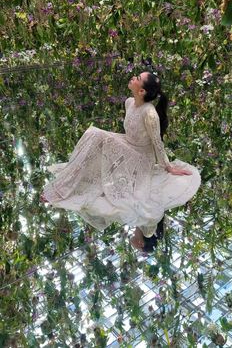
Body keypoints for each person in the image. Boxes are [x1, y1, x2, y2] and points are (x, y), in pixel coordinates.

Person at [41, 71, 201, 251]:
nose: (133, 77)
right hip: (127, 144)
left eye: (138, 79)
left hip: (141, 157)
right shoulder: (129, 102)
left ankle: (61, 189)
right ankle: (67, 181)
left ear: (141, 91)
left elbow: (157, 143)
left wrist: (168, 167)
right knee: (94, 135)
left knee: (96, 134)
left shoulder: (150, 114)